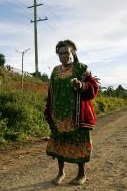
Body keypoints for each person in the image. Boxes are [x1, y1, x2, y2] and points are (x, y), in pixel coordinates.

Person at [44, 40, 99, 185]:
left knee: (79, 144)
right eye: (60, 53)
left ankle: (81, 174)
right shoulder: (55, 71)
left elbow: (93, 87)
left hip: (76, 116)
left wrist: (81, 85)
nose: (63, 55)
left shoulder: (81, 69)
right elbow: (52, 92)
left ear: (72, 53)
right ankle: (61, 172)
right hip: (59, 116)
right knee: (59, 144)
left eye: (66, 52)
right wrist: (48, 111)